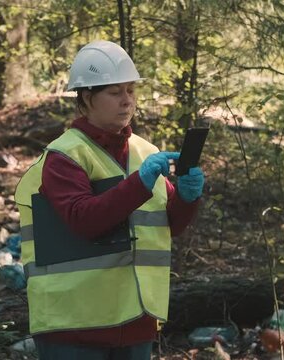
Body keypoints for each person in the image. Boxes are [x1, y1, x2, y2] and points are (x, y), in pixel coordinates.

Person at [15, 40, 205, 360]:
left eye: (131, 90)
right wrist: (140, 183)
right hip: (73, 326)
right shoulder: (65, 156)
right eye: (115, 92)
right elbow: (84, 220)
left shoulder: (145, 152)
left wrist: (187, 198)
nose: (127, 101)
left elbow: (167, 226)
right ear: (87, 98)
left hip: (134, 320)